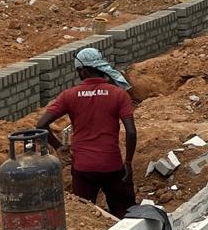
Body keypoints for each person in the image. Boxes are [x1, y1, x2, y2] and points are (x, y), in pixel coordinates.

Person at [35, 47, 138, 218]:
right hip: (111, 164)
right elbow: (131, 132)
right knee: (125, 215)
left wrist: (59, 147)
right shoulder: (118, 94)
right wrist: (128, 162)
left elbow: (41, 125)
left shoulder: (69, 95)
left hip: (83, 168)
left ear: (82, 70)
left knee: (84, 216)